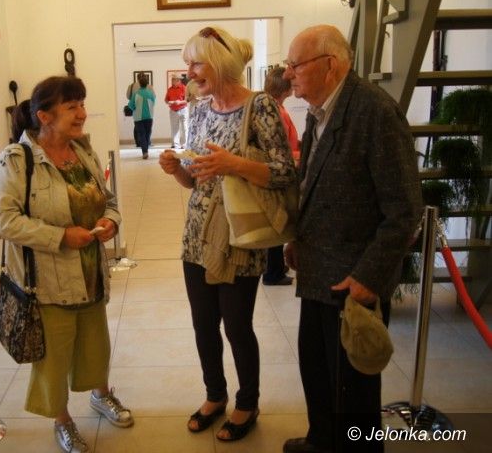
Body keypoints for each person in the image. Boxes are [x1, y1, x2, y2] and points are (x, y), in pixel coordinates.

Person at [281, 25, 422, 453]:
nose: (287, 74)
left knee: (354, 395)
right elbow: (314, 183)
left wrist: (369, 277)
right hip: (317, 274)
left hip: (353, 283)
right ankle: (322, 440)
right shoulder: (319, 111)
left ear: (331, 65)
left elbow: (404, 209)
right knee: (317, 372)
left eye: (295, 65)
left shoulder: (375, 113)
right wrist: (296, 238)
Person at [159, 26, 296, 442]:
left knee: (237, 326)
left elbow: (284, 172)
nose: (190, 72)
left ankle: (247, 403)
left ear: (219, 64)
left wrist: (233, 164)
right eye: (188, 64)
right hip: (197, 234)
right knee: (204, 325)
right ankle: (214, 396)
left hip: (239, 236)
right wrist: (177, 169)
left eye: (196, 63)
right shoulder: (199, 109)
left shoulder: (261, 106)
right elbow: (195, 180)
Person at [0, 76, 133, 453]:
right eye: (72, 107)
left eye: (82, 104)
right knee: (54, 357)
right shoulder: (16, 160)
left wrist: (111, 221)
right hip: (48, 282)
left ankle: (101, 395)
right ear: (44, 116)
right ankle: (63, 421)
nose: (82, 113)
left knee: (96, 344)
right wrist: (61, 237)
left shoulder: (83, 151)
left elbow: (109, 200)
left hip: (90, 273)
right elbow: (4, 221)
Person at [261, 66, 301, 287]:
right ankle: (273, 271)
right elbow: (280, 148)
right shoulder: (276, 111)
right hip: (282, 172)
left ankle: (275, 267)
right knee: (278, 222)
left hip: (281, 168)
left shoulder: (274, 108)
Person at [127, 73, 155, 159]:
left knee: (141, 134)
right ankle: (146, 149)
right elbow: (153, 103)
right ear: (147, 84)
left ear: (139, 83)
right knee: (147, 134)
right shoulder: (151, 93)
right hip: (149, 116)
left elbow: (130, 105)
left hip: (138, 117)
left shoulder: (136, 94)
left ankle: (144, 152)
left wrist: (135, 108)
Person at [165, 74, 188, 149]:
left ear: (178, 80)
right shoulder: (170, 89)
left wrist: (180, 102)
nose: (172, 81)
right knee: (174, 128)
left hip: (183, 109)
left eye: (173, 79)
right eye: (172, 79)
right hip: (173, 110)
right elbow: (166, 99)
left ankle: (184, 144)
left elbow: (187, 100)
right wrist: (169, 102)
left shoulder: (184, 88)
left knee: (184, 128)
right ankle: (176, 144)